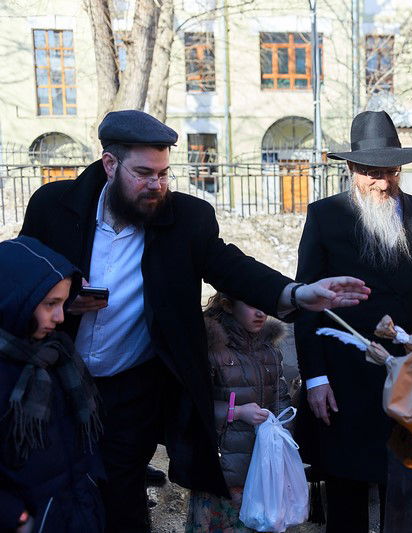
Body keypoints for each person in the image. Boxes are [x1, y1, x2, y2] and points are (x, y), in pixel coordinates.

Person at [19, 109, 370, 532]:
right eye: (144, 173)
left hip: (131, 388)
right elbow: (27, 274)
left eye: (164, 174)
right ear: (110, 165)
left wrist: (295, 293)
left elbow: (229, 267)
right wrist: (57, 303)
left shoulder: (185, 219)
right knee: (53, 482)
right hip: (55, 376)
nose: (156, 186)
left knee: (120, 492)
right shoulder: (53, 206)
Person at [294, 110, 412, 533]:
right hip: (344, 378)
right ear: (351, 168)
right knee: (346, 494)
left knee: (403, 490)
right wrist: (315, 379)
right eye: (371, 173)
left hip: (408, 376)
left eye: (390, 172)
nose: (382, 183)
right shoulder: (325, 217)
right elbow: (307, 305)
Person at [0, 237, 103, 533]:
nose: (60, 317)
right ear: (15, 299)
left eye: (63, 303)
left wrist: (93, 483)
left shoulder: (57, 355)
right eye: (50, 304)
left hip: (76, 512)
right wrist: (14, 516)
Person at [185, 293, 291, 532]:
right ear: (228, 305)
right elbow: (190, 407)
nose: (261, 313)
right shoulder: (210, 348)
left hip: (264, 469)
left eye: (265, 305)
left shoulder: (270, 348)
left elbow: (281, 396)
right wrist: (236, 411)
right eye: (253, 304)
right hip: (222, 473)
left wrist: (284, 434)